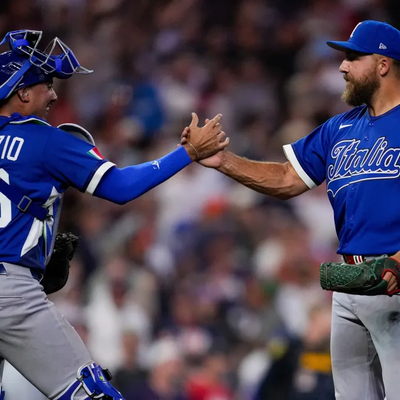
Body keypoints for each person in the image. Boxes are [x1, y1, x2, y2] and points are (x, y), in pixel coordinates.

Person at [0, 29, 228, 400]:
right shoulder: (45, 140)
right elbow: (120, 187)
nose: (53, 95)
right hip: (10, 290)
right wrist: (187, 153)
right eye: (46, 85)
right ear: (23, 93)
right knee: (91, 393)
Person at [183, 20, 400, 400]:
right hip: (350, 281)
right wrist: (224, 161)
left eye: (353, 57)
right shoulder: (338, 129)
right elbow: (287, 178)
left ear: (383, 64)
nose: (342, 66)